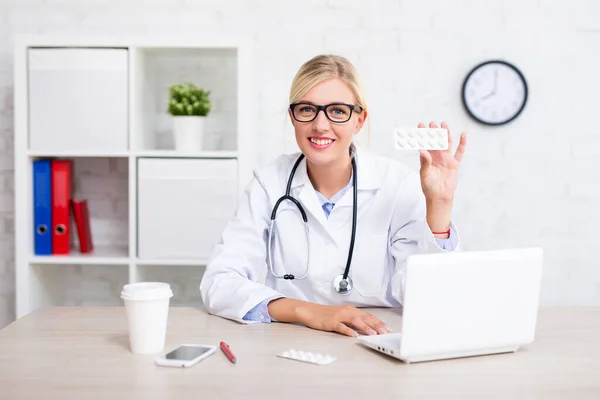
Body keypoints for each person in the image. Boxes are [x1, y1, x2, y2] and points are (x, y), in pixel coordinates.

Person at [199, 54, 467, 338]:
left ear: (359, 120)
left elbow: (432, 297)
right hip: (293, 340)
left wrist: (440, 204)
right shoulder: (270, 183)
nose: (320, 125)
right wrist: (308, 311)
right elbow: (219, 282)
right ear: (292, 117)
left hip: (379, 340)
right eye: (307, 109)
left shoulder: (398, 184)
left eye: (337, 111)